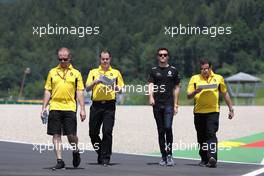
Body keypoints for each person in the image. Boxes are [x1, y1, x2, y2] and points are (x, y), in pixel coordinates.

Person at [41, 47, 86, 169]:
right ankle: (60, 160)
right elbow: (47, 90)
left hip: (70, 107)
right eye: (60, 59)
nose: (62, 61)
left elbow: (80, 91)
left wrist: (82, 108)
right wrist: (44, 107)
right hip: (55, 106)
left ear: (69, 58)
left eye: (65, 59)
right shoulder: (52, 72)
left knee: (71, 135)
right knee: (56, 134)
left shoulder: (76, 73)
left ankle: (76, 150)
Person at [187, 59, 234, 168]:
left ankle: (212, 157)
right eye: (202, 69)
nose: (204, 71)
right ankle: (204, 159)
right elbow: (188, 96)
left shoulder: (218, 78)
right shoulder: (194, 79)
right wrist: (195, 91)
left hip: (213, 111)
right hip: (198, 112)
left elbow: (225, 93)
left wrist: (231, 108)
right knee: (201, 137)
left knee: (211, 134)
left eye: (206, 69)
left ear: (210, 68)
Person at [86, 50, 124, 166]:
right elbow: (87, 88)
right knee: (93, 133)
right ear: (100, 59)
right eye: (103, 59)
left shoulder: (116, 73)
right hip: (96, 105)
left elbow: (122, 89)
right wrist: (96, 81)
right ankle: (101, 152)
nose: (105, 61)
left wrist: (115, 87)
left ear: (110, 59)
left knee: (107, 131)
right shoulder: (93, 72)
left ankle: (106, 157)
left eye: (107, 59)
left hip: (109, 105)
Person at [148, 48, 180, 166]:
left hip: (169, 104)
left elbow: (177, 88)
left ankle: (169, 154)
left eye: (165, 55)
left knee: (168, 127)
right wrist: (150, 97)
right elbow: (150, 84)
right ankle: (163, 156)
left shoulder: (173, 70)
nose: (162, 56)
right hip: (157, 104)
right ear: (158, 56)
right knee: (161, 131)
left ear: (168, 57)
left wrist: (176, 104)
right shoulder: (153, 70)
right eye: (160, 55)